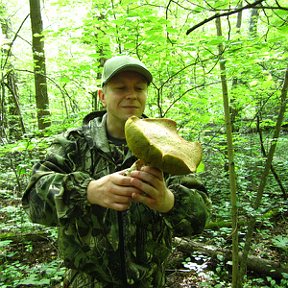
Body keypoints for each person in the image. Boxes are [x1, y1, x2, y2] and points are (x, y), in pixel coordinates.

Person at [22, 55, 211, 288]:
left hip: (151, 281)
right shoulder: (74, 144)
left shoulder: (167, 145)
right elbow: (32, 200)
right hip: (87, 282)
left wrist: (168, 201)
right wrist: (88, 191)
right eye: (120, 88)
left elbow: (201, 216)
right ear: (102, 96)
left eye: (139, 88)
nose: (131, 94)